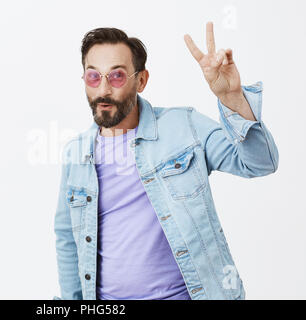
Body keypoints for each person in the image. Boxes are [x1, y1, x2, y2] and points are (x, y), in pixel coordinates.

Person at [53, 22, 279, 300]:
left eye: (117, 76)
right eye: (93, 76)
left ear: (142, 80)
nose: (103, 89)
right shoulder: (76, 154)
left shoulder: (185, 126)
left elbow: (260, 162)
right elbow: (67, 239)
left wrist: (232, 98)